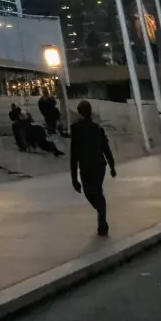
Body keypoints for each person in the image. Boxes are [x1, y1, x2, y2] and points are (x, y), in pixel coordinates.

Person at [69, 100, 116, 236]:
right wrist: (112, 166)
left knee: (93, 193)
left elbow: (104, 148)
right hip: (92, 166)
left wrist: (74, 178)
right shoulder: (80, 129)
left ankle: (101, 223)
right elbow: (106, 149)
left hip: (92, 166)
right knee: (93, 193)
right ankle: (102, 217)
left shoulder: (95, 129)